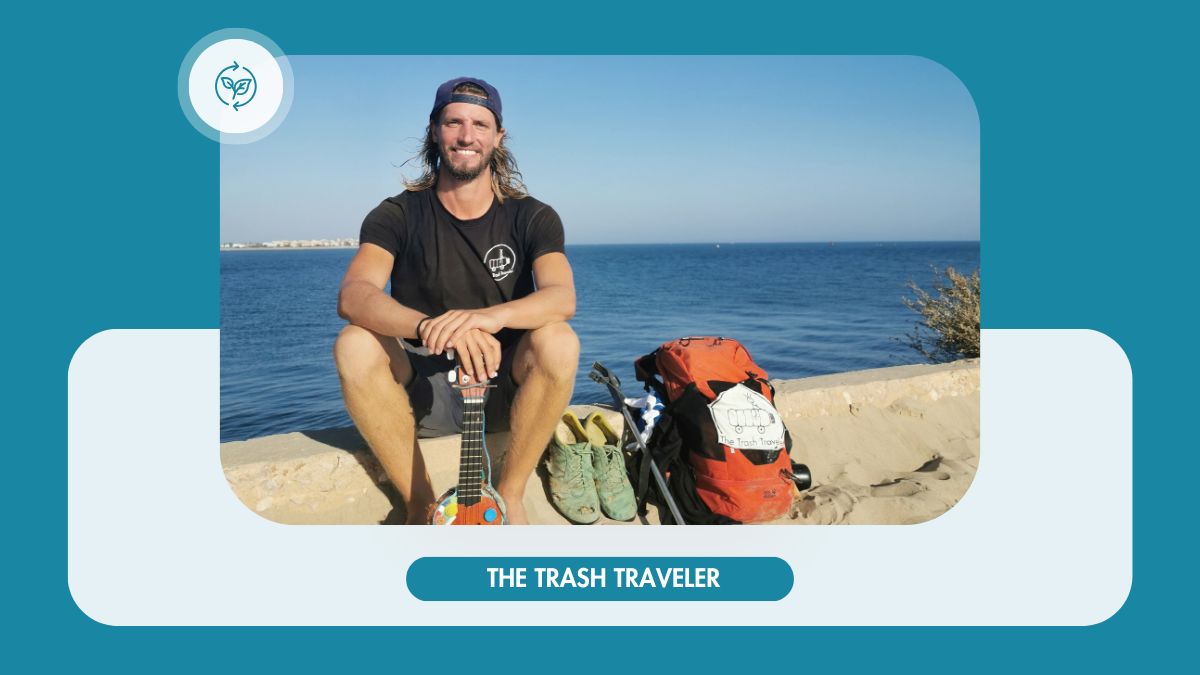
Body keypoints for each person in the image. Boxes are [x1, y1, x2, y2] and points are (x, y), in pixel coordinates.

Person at [333, 77, 579, 525]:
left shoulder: (532, 216)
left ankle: (510, 496)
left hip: (501, 386)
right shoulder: (398, 214)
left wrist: (486, 319)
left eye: (481, 125)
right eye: (454, 122)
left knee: (559, 340)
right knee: (354, 342)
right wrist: (430, 326)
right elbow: (354, 294)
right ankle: (420, 505)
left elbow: (561, 297)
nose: (467, 136)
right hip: (425, 391)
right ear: (434, 130)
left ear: (498, 137)